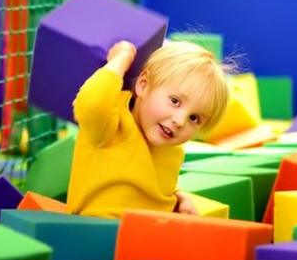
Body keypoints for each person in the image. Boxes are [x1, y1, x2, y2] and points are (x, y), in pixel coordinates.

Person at [66, 39, 230, 219]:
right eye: (175, 101)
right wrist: (121, 58)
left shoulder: (173, 150)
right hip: (100, 230)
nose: (180, 121)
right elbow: (91, 103)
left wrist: (177, 198)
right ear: (143, 84)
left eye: (194, 118)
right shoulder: (111, 124)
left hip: (148, 234)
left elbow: (151, 188)